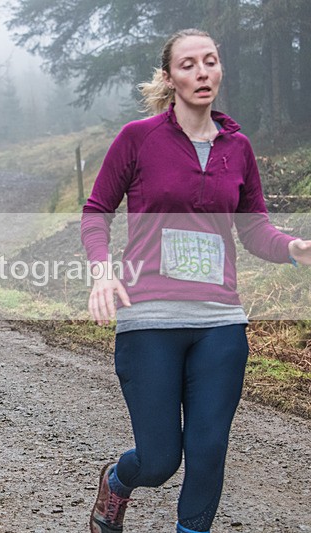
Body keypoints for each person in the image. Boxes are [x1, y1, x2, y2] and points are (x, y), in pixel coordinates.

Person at [81, 29, 311, 533]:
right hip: (149, 316)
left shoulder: (238, 146)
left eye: (210, 61)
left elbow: (254, 229)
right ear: (169, 77)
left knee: (208, 450)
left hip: (220, 319)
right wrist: (101, 271)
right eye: (188, 64)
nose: (202, 71)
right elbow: (97, 211)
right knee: (161, 461)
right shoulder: (138, 138)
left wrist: (293, 248)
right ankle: (118, 484)